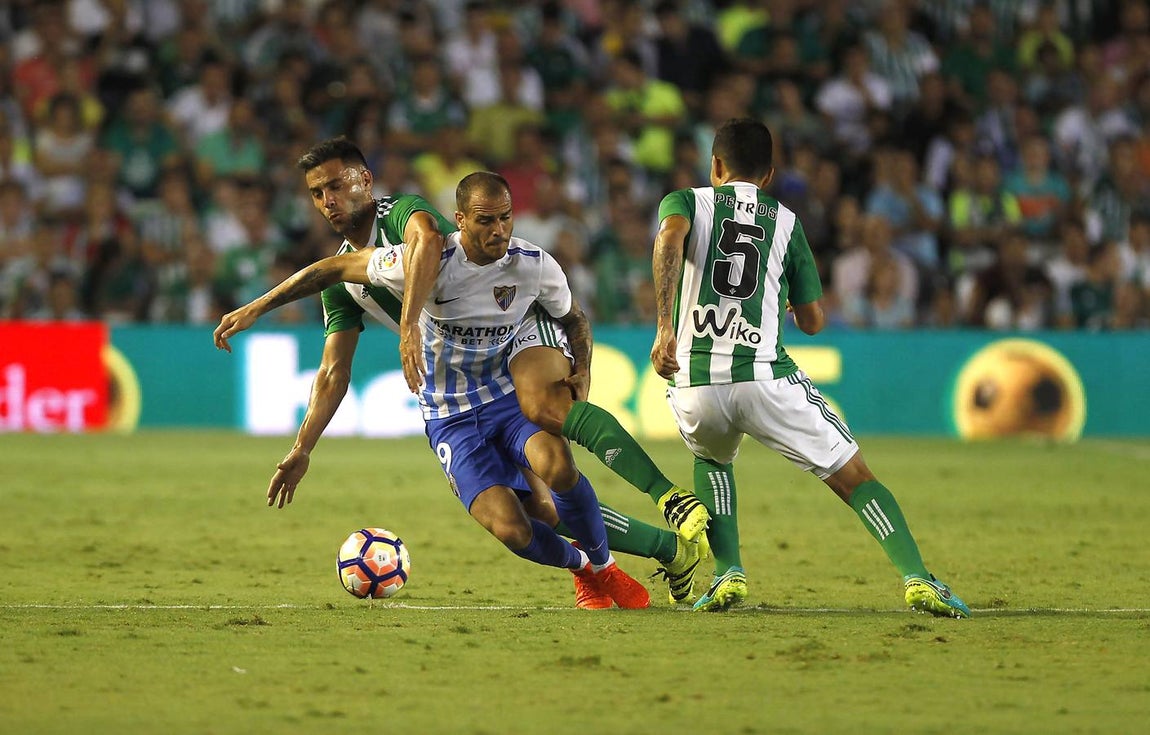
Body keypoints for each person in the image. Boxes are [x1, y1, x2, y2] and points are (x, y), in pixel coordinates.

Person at [212, 140, 695, 605]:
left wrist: (407, 329)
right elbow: (333, 370)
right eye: (318, 193)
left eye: (337, 186)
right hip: (452, 392)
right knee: (537, 514)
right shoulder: (351, 275)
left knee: (552, 454)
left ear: (366, 179)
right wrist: (302, 447)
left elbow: (426, 237)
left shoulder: (401, 214)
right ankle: (654, 553)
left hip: (522, 325)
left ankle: (647, 523)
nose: (328, 200)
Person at [649, 118, 971, 618]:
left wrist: (665, 328)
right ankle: (917, 577)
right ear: (769, 174)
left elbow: (670, 239)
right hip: (762, 375)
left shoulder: (685, 201)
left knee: (712, 462)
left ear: (715, 166)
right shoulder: (786, 222)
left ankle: (728, 571)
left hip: (694, 382)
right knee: (855, 476)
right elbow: (816, 321)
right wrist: (794, 305)